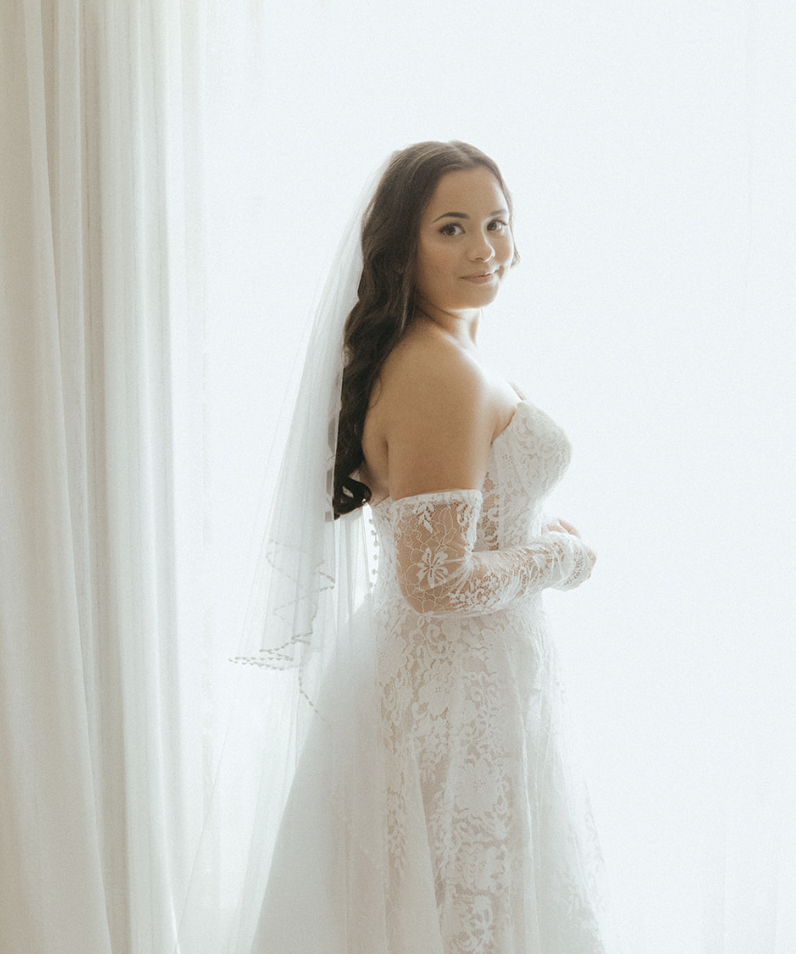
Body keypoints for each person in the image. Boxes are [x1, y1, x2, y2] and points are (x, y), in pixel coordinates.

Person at [244, 141, 614, 954]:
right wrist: (559, 559)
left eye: (496, 223)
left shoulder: (443, 354)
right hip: (454, 688)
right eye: (451, 227)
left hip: (462, 675)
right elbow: (436, 579)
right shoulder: (435, 370)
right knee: (457, 909)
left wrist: (532, 544)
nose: (484, 249)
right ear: (402, 246)